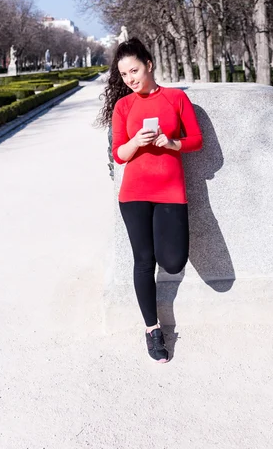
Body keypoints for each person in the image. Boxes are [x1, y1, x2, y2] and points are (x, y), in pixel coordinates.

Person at [98, 38, 203, 363]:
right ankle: (152, 329)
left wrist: (172, 143)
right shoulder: (123, 107)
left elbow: (196, 140)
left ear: (149, 65)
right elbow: (119, 154)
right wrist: (136, 142)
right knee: (143, 261)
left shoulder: (175, 98)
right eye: (124, 74)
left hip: (171, 190)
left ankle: (160, 258)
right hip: (134, 194)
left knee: (172, 261)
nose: (130, 78)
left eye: (134, 70)